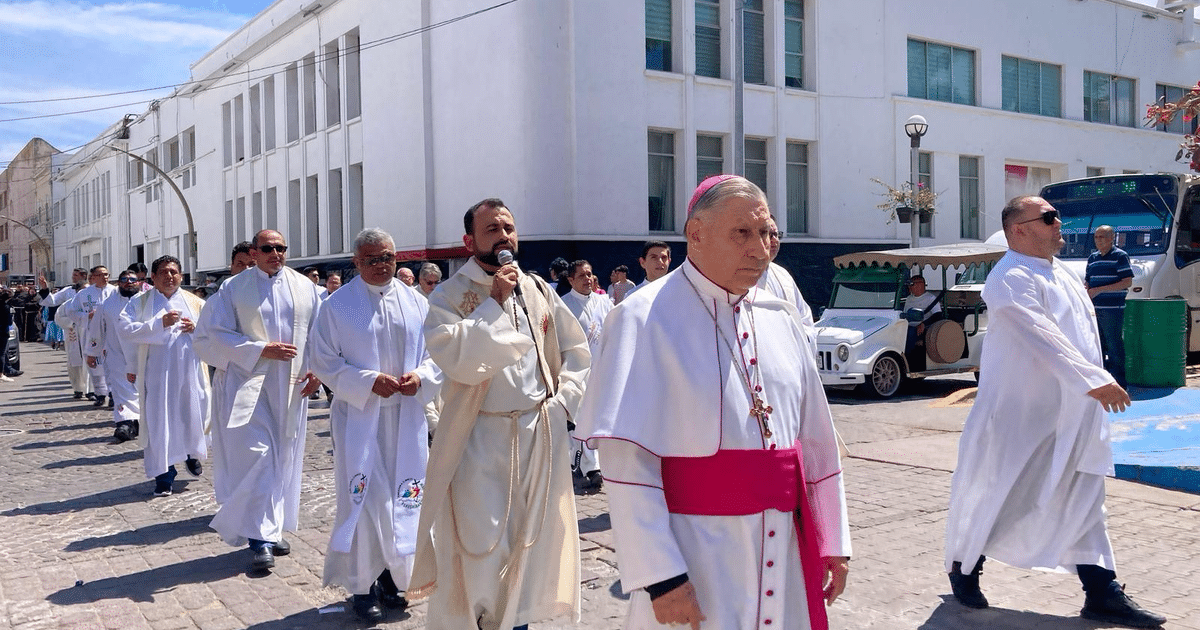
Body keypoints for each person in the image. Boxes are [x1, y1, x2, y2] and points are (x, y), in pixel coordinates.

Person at [575, 174, 851, 630]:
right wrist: (660, 579)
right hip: (695, 554)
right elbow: (627, 464)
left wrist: (831, 537)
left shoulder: (781, 318)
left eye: (764, 233)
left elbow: (817, 440)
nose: (760, 249)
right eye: (742, 233)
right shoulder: (642, 318)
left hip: (781, 546)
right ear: (696, 235)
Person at [944, 196, 1165, 628]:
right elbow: (1042, 336)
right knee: (1000, 493)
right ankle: (964, 566)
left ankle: (1102, 592)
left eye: (1056, 216)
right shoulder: (1009, 278)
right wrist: (1092, 379)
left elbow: (1080, 333)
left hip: (1074, 413)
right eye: (1048, 218)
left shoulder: (1061, 272)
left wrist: (1090, 382)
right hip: (1021, 418)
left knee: (1085, 498)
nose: (1058, 223)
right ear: (1019, 230)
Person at [408, 198, 590, 630]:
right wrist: (493, 303)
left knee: (531, 539)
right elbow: (456, 359)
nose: (504, 236)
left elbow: (576, 350)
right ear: (469, 240)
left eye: (509, 227)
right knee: (483, 543)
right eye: (492, 229)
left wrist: (564, 401)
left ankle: (517, 621)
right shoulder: (450, 296)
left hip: (537, 433)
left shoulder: (538, 289)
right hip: (478, 439)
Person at [309, 228, 444, 623]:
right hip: (360, 419)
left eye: (387, 257)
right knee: (365, 503)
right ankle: (361, 587)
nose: (381, 265)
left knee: (403, 502)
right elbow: (323, 360)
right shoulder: (338, 306)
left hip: (405, 418)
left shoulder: (416, 302)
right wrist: (368, 382)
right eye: (371, 259)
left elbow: (438, 353)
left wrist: (422, 376)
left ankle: (392, 579)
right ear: (356, 263)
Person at [193, 229, 323, 572]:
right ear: (254, 251)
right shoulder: (233, 289)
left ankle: (271, 526)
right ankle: (260, 539)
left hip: (291, 387)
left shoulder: (305, 287)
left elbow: (322, 333)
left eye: (281, 248)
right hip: (246, 386)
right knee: (259, 459)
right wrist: (259, 349)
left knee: (283, 459)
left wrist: (318, 370)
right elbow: (209, 336)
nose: (275, 253)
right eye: (268, 248)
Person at [119, 256, 209, 497]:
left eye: (174, 272)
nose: (169, 277)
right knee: (160, 423)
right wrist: (158, 324)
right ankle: (164, 475)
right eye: (164, 272)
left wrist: (196, 329)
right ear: (153, 277)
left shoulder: (196, 302)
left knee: (192, 415)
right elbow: (125, 330)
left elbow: (214, 332)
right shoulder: (139, 303)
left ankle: (192, 455)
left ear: (181, 275)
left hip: (190, 372)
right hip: (157, 375)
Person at [560, 259, 611, 490]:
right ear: (570, 280)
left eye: (590, 274)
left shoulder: (604, 302)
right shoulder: (563, 305)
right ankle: (585, 466)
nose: (588, 279)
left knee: (598, 420)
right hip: (576, 374)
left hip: (601, 372)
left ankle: (595, 466)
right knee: (579, 422)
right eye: (581, 276)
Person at [87, 269, 142, 442]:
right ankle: (124, 424)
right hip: (117, 356)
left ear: (139, 282)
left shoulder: (148, 301)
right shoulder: (107, 304)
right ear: (119, 283)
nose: (128, 282)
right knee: (121, 392)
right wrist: (92, 352)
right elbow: (97, 329)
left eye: (132, 279)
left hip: (144, 356)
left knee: (143, 392)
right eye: (124, 279)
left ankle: (140, 424)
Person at [1085, 225, 1133, 388]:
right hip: (1094, 310)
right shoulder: (1092, 258)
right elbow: (1088, 281)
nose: (1098, 240)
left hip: (1112, 309)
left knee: (1114, 346)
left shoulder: (1120, 256)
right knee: (1097, 346)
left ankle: (1119, 383)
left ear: (1112, 238)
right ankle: (1103, 382)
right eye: (1096, 237)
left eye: (1102, 237)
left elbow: (1127, 282)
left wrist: (1099, 290)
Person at [63, 266, 117, 408]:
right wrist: (87, 317)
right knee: (95, 364)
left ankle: (113, 394)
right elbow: (71, 311)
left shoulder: (115, 291)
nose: (105, 277)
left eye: (107, 274)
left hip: (111, 333)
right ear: (93, 277)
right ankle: (100, 394)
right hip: (92, 333)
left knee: (112, 364)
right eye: (101, 275)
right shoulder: (84, 294)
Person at [756, 217, 816, 339]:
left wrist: (800, 338)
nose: (775, 240)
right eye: (769, 234)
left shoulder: (782, 274)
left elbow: (804, 316)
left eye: (777, 235)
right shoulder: (745, 275)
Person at [39, 269, 91, 399]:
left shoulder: (92, 292)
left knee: (90, 359)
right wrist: (45, 288)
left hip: (89, 331)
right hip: (73, 331)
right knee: (74, 360)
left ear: (84, 277)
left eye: (76, 275)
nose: (73, 277)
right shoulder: (68, 292)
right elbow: (52, 302)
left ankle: (92, 389)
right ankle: (78, 387)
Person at [902, 274, 942, 372]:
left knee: (910, 333)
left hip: (925, 328)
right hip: (908, 326)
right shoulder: (909, 299)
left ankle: (907, 363)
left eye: (912, 284)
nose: (909, 287)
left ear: (921, 284)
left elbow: (938, 315)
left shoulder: (930, 298)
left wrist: (924, 324)